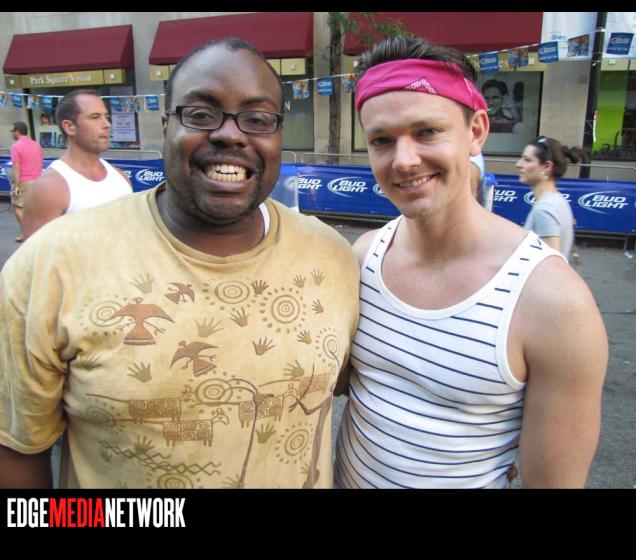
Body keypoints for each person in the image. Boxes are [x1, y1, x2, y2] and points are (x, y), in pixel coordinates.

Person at [0, 37, 359, 489]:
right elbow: (17, 448)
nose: (231, 134)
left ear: (277, 135)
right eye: (201, 114)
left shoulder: (333, 257)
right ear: (166, 125)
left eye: (258, 119)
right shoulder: (52, 263)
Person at [334, 36, 608, 489]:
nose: (404, 160)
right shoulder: (364, 256)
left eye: (427, 132)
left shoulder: (553, 301)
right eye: (382, 140)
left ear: (476, 131)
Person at [22, 89, 132, 239]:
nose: (107, 124)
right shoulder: (49, 189)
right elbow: (37, 253)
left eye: (106, 117)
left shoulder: (121, 178)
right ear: (69, 127)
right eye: (95, 117)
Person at [517, 136, 587, 263]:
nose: (518, 164)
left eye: (527, 160)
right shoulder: (556, 199)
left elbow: (551, 265)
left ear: (547, 166)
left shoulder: (545, 209)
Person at [9, 122, 44, 242]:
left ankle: (27, 234)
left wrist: (16, 185)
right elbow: (40, 161)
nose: (12, 134)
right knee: (33, 208)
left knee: (17, 207)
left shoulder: (16, 146)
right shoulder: (36, 145)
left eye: (13, 131)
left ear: (17, 132)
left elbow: (16, 166)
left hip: (24, 181)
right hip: (38, 180)